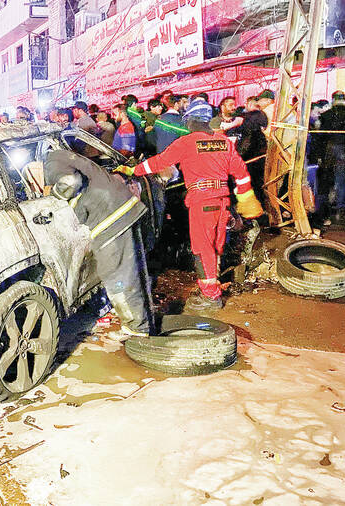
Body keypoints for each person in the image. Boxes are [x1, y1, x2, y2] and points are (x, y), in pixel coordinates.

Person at [115, 100, 263, 308]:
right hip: (223, 201)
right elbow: (241, 174)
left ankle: (211, 296)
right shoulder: (223, 142)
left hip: (202, 201)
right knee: (216, 245)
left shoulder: (187, 142)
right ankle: (213, 284)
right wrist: (246, 198)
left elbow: (160, 162)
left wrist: (133, 170)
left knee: (202, 248)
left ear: (191, 121)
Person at [43, 149, 152, 339]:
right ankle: (142, 321)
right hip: (124, 209)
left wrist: (54, 195)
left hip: (109, 219)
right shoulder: (67, 156)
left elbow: (70, 181)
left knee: (116, 275)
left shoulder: (51, 162)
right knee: (132, 271)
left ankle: (137, 328)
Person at [317, 90, 345, 222]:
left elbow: (321, 135)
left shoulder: (326, 115)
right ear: (343, 99)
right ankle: (341, 209)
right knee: (342, 179)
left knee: (328, 179)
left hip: (330, 149)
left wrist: (320, 154)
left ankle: (329, 210)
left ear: (333, 100)